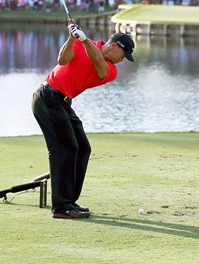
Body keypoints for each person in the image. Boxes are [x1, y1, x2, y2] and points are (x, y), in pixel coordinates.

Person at [32, 22, 135, 220]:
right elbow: (62, 60)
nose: (123, 61)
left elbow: (98, 62)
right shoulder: (81, 43)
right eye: (123, 56)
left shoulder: (111, 70)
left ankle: (69, 201)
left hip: (62, 102)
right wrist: (72, 37)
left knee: (82, 147)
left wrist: (83, 38)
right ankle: (61, 207)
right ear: (114, 46)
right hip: (47, 96)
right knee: (66, 148)